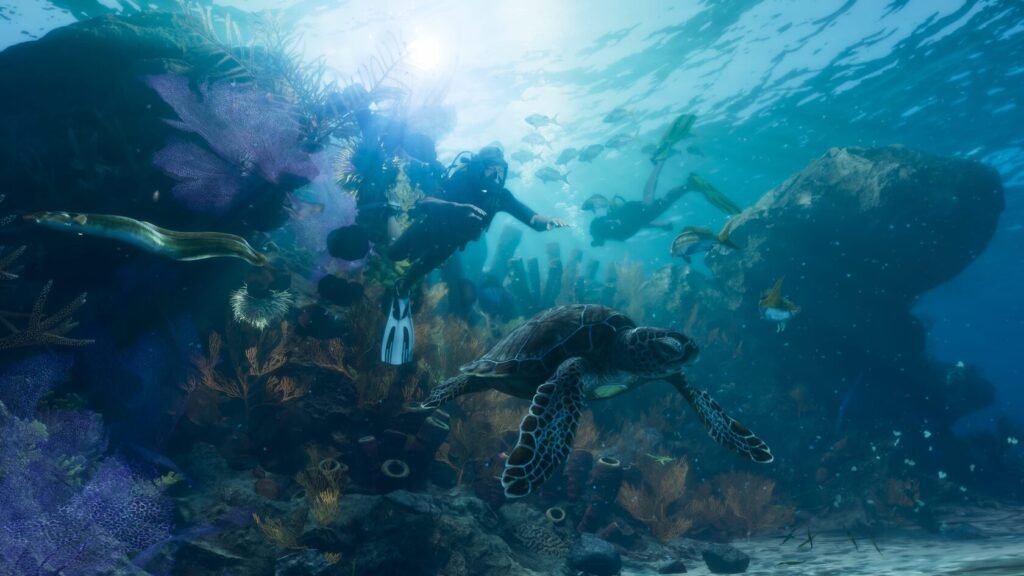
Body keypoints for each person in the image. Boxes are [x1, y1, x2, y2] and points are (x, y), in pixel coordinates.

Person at [381, 145, 568, 365]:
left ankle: (401, 291)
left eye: (500, 170)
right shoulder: (461, 180)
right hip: (429, 227)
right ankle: (389, 212)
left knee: (415, 274)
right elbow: (426, 202)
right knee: (395, 254)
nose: (496, 175)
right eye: (491, 168)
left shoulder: (500, 197)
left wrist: (549, 222)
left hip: (449, 244)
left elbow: (532, 219)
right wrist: (457, 207)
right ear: (479, 166)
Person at [583, 158, 686, 247]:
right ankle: (689, 185)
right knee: (666, 201)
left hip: (634, 210)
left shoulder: (608, 217)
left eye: (596, 206)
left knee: (648, 202)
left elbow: (633, 221)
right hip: (642, 217)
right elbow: (638, 223)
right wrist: (660, 224)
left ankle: (660, 161)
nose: (596, 209)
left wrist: (659, 224)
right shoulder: (598, 225)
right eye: (593, 208)